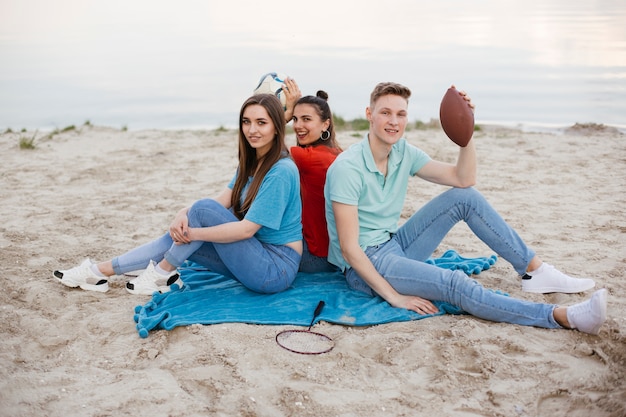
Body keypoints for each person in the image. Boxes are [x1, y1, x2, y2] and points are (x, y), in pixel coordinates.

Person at [324, 81, 607, 335]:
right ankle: (562, 316)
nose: (393, 121)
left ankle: (534, 271)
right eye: (385, 112)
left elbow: (463, 178)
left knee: (465, 197)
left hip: (394, 243)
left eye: (401, 114)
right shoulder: (348, 169)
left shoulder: (402, 152)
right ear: (369, 114)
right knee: (455, 284)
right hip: (364, 265)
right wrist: (394, 297)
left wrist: (466, 128)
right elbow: (350, 249)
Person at [54, 94, 302, 295]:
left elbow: (245, 230)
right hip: (253, 254)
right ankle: (99, 272)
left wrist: (193, 232)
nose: (252, 130)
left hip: (274, 269)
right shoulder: (251, 162)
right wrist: (182, 214)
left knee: (198, 215)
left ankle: (162, 272)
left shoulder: (280, 171)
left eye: (261, 122)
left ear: (277, 127)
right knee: (182, 229)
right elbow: (222, 202)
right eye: (246, 122)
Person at [289, 90, 342, 273]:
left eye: (306, 119)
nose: (297, 125)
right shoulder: (336, 153)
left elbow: (263, 148)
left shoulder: (309, 158)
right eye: (294, 119)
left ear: (325, 124)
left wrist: (285, 114)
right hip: (331, 255)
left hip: (314, 256)